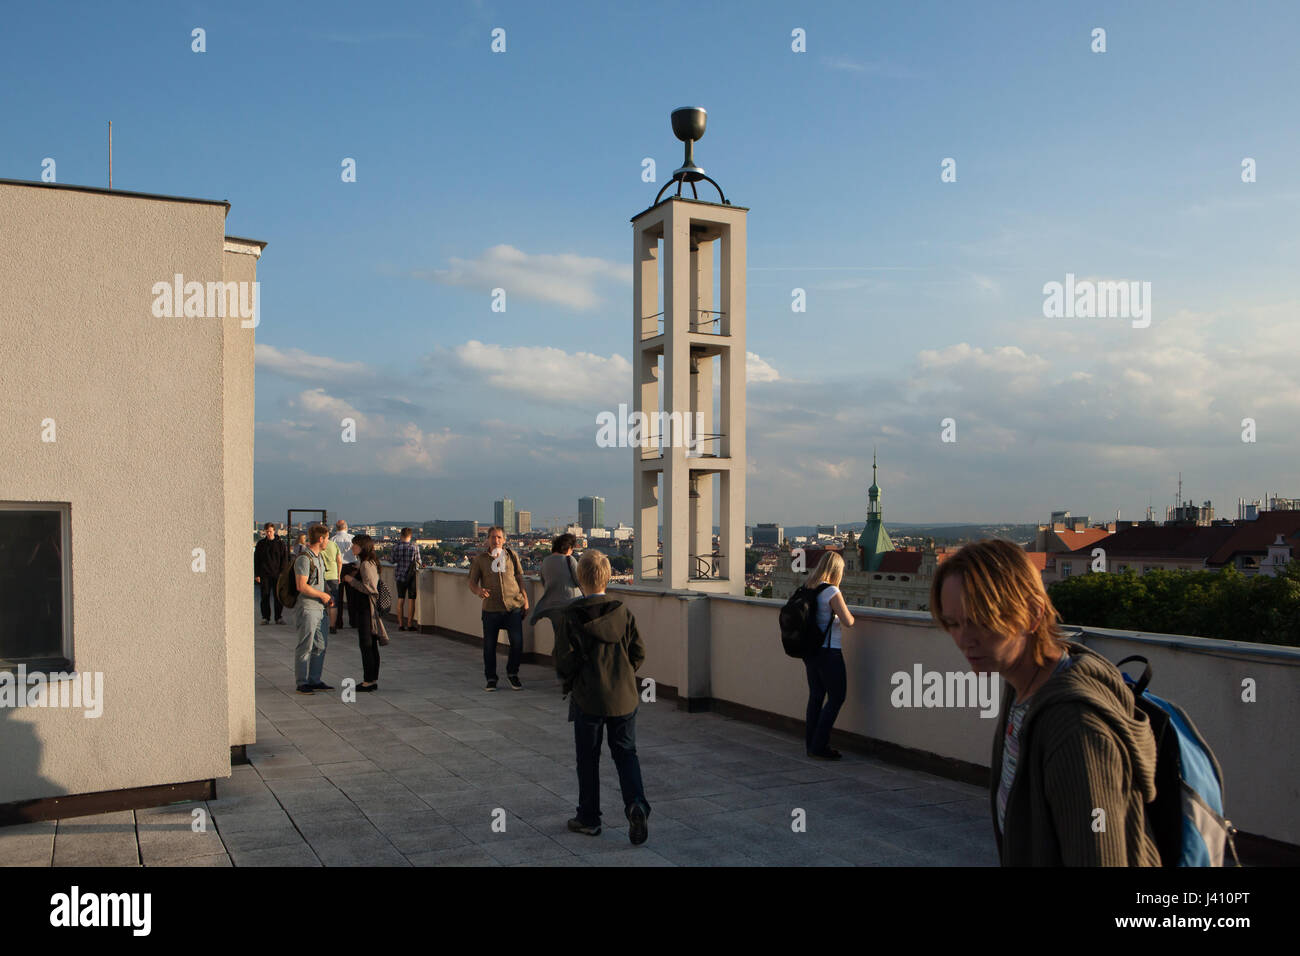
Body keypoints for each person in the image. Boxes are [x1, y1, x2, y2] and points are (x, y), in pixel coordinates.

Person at [929, 538, 1160, 866]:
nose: (964, 639)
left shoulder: (1074, 727)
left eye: (981, 620)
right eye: (953, 623)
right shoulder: (1023, 688)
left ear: (1033, 614)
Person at [553, 550, 650, 845]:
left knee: (588, 758)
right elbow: (639, 652)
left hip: (588, 698)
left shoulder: (571, 616)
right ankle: (635, 805)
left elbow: (563, 661)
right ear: (608, 577)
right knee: (626, 754)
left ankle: (589, 818)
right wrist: (622, 674)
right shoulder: (623, 611)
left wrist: (573, 680)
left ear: (580, 579)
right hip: (624, 697)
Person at [802, 551, 855, 760]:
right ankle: (820, 745)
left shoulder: (809, 586)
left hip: (810, 651)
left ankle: (811, 744)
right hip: (829, 651)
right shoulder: (831, 590)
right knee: (836, 697)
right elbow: (848, 621)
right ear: (836, 570)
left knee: (816, 696)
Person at [467, 526, 529, 691]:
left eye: (499, 537)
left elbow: (519, 578)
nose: (496, 540)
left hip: (513, 606)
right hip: (491, 608)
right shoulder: (480, 559)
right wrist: (479, 591)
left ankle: (512, 674)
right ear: (487, 539)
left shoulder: (512, 556)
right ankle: (491, 678)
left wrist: (525, 599)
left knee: (517, 643)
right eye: (493, 537)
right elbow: (471, 582)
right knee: (489, 646)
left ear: (504, 540)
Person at [342, 534, 387, 692]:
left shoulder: (366, 564)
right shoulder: (367, 562)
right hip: (367, 609)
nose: (352, 547)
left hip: (366, 609)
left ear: (362, 547)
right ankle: (372, 678)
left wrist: (351, 580)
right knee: (371, 645)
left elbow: (370, 589)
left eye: (355, 545)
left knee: (366, 645)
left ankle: (368, 681)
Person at [293, 524, 334, 695]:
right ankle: (302, 682)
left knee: (321, 645)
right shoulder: (304, 558)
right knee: (305, 645)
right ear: (321, 539)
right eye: (327, 538)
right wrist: (322, 595)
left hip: (319, 609)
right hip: (308, 608)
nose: (328, 541)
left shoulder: (319, 557)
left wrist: (325, 597)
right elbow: (301, 586)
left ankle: (314, 679)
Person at [530, 533, 582, 628]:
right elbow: (579, 581)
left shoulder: (545, 561)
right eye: (572, 548)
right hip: (570, 604)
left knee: (559, 636)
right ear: (568, 547)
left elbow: (543, 582)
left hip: (553, 607)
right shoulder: (569, 559)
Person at [253, 522, 288, 624]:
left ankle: (278, 617)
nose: (269, 533)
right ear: (264, 531)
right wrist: (257, 574)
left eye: (270, 531)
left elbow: (284, 560)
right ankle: (265, 617)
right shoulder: (261, 544)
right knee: (265, 596)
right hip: (264, 575)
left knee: (278, 597)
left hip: (278, 575)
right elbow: (257, 560)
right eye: (267, 531)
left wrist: (283, 574)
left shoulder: (280, 544)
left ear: (274, 531)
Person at [391, 527, 422, 631]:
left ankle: (400, 624)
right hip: (411, 575)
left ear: (401, 535)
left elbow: (392, 560)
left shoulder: (396, 547)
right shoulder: (414, 547)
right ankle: (409, 624)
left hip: (399, 575)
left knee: (400, 599)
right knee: (411, 600)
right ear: (410, 536)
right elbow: (419, 562)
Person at [320, 530, 343, 630]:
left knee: (321, 602)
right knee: (333, 602)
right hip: (333, 575)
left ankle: (322, 625)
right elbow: (339, 561)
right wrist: (338, 575)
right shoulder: (334, 545)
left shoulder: (318, 546)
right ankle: (332, 626)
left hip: (321, 576)